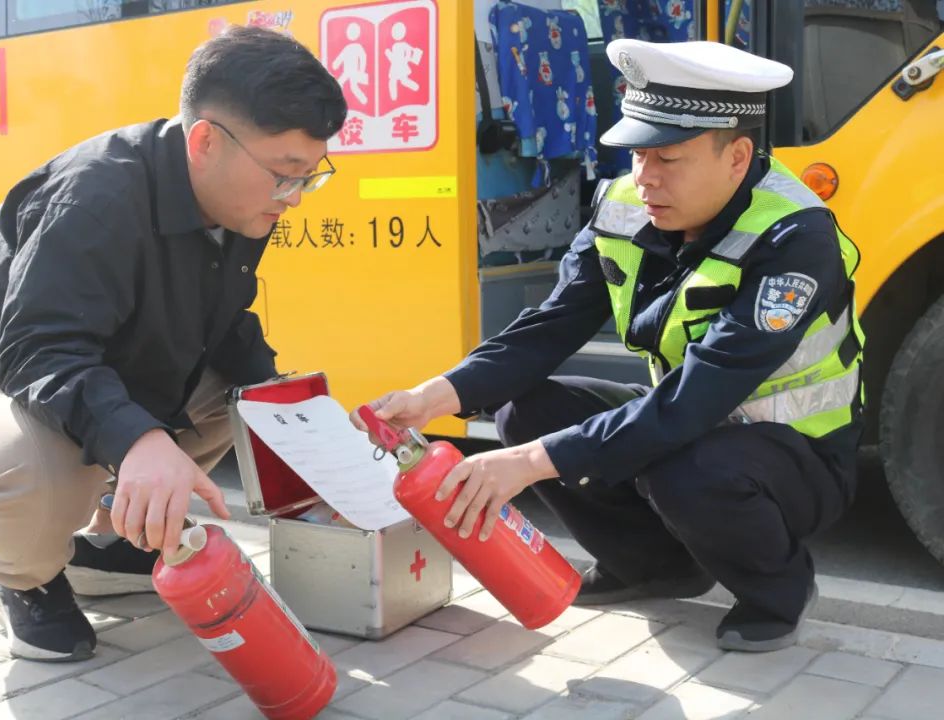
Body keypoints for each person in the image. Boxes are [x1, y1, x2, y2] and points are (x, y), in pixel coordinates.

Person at [354, 39, 863, 653]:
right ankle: (653, 568)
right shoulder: (624, 206)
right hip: (696, 424)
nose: (644, 177)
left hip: (798, 455)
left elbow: (697, 397)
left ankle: (779, 592)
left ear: (737, 157)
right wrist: (433, 396)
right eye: (638, 154)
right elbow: (550, 326)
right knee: (526, 411)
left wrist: (528, 464)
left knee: (684, 471)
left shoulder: (795, 238)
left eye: (667, 157)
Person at [0, 26, 347, 662]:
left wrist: (300, 419)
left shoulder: (238, 203)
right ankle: (24, 578)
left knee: (243, 401)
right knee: (34, 461)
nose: (293, 197)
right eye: (284, 174)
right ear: (206, 141)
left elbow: (225, 326)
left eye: (308, 176)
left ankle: (109, 546)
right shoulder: (97, 193)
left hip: (60, 383)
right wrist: (140, 441)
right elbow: (36, 352)